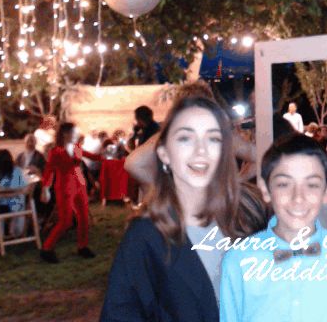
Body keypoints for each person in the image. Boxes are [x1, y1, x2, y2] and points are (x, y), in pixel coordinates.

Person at [101, 92, 267, 321]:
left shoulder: (251, 218)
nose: (201, 150)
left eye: (213, 139)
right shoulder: (146, 237)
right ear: (164, 154)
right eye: (185, 138)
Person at [220, 134, 327, 322]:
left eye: (311, 185)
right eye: (284, 184)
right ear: (266, 189)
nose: (298, 197)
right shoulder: (237, 260)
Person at [39, 122, 95, 263]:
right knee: (66, 221)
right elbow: (49, 170)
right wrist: (45, 189)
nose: (77, 134)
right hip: (64, 188)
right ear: (65, 134)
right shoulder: (56, 152)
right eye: (74, 132)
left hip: (79, 186)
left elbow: (84, 160)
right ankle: (47, 248)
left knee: (84, 217)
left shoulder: (76, 147)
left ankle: (83, 246)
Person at [0, 149, 27, 237]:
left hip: (0, 208)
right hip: (17, 206)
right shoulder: (18, 171)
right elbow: (23, 189)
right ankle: (11, 229)